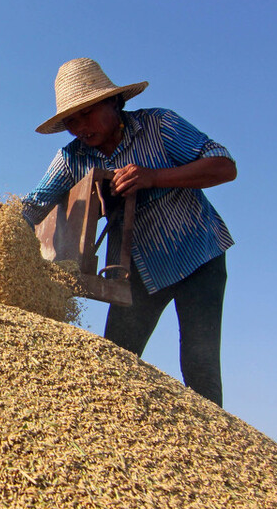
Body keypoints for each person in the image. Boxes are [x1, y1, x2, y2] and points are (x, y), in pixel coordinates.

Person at [22, 58, 237, 405]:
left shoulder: (159, 125)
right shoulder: (72, 159)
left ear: (114, 102)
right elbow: (33, 205)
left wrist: (154, 176)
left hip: (198, 256)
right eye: (71, 121)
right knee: (115, 361)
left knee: (200, 365)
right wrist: (5, 224)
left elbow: (224, 166)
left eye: (87, 113)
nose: (80, 127)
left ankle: (215, 449)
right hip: (135, 270)